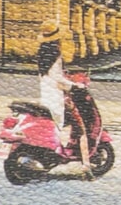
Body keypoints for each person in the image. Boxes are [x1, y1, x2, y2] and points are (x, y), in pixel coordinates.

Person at [36, 40, 92, 176]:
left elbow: (55, 80)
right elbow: (59, 80)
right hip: (57, 102)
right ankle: (86, 165)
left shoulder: (43, 65)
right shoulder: (56, 61)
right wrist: (75, 86)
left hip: (46, 100)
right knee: (81, 129)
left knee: (52, 129)